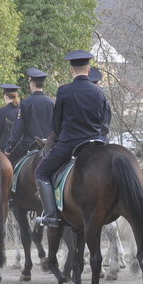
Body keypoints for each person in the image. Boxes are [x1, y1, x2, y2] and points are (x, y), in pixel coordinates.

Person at [33, 50, 110, 227]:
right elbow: (105, 123)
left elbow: (56, 125)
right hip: (97, 143)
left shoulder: (64, 91)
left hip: (70, 144)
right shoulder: (99, 92)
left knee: (41, 172)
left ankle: (51, 215)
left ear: (71, 70)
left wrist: (62, 137)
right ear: (88, 69)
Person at [5, 68, 55, 162]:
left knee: (10, 165)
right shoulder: (51, 102)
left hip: (28, 144)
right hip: (49, 145)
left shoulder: (25, 103)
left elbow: (17, 130)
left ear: (32, 84)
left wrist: (9, 148)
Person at [0, 83, 20, 150]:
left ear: (5, 96)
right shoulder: (22, 110)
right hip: (19, 147)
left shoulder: (2, 111)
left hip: (5, 147)